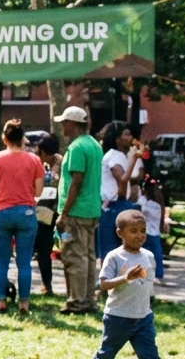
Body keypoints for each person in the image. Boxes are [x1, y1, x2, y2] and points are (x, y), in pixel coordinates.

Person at [79, 209, 178, 359]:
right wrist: (126, 278)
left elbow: (147, 285)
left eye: (143, 230)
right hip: (118, 318)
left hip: (143, 318)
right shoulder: (115, 257)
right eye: (133, 231)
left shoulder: (149, 256)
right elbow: (104, 284)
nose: (140, 235)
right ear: (120, 233)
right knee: (105, 354)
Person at [0, 119, 45, 313]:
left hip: (1, 212)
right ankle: (24, 303)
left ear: (4, 138)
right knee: (24, 262)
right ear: (22, 138)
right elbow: (38, 191)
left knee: (1, 261)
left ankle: (1, 301)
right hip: (26, 212)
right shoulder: (34, 160)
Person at [55, 107, 103, 314]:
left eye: (64, 122)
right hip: (92, 209)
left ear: (72, 124)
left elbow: (75, 182)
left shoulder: (76, 148)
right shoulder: (94, 145)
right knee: (89, 256)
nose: (62, 126)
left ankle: (77, 301)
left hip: (75, 211)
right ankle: (89, 299)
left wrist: (64, 212)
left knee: (74, 255)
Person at [97, 121, 143, 261]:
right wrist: (134, 158)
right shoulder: (113, 156)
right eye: (126, 135)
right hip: (112, 206)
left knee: (125, 250)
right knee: (110, 252)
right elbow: (122, 180)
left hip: (121, 204)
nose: (131, 138)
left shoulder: (120, 156)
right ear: (117, 139)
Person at [33, 134, 62, 295]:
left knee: (46, 249)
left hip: (54, 213)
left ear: (44, 152)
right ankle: (47, 284)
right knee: (44, 249)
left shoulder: (59, 165)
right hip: (45, 213)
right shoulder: (48, 164)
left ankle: (49, 285)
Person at [137, 177, 167, 284]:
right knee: (156, 255)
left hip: (147, 232)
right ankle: (157, 274)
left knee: (144, 255)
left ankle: (144, 274)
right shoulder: (159, 205)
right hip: (155, 233)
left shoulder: (146, 204)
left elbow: (140, 207)